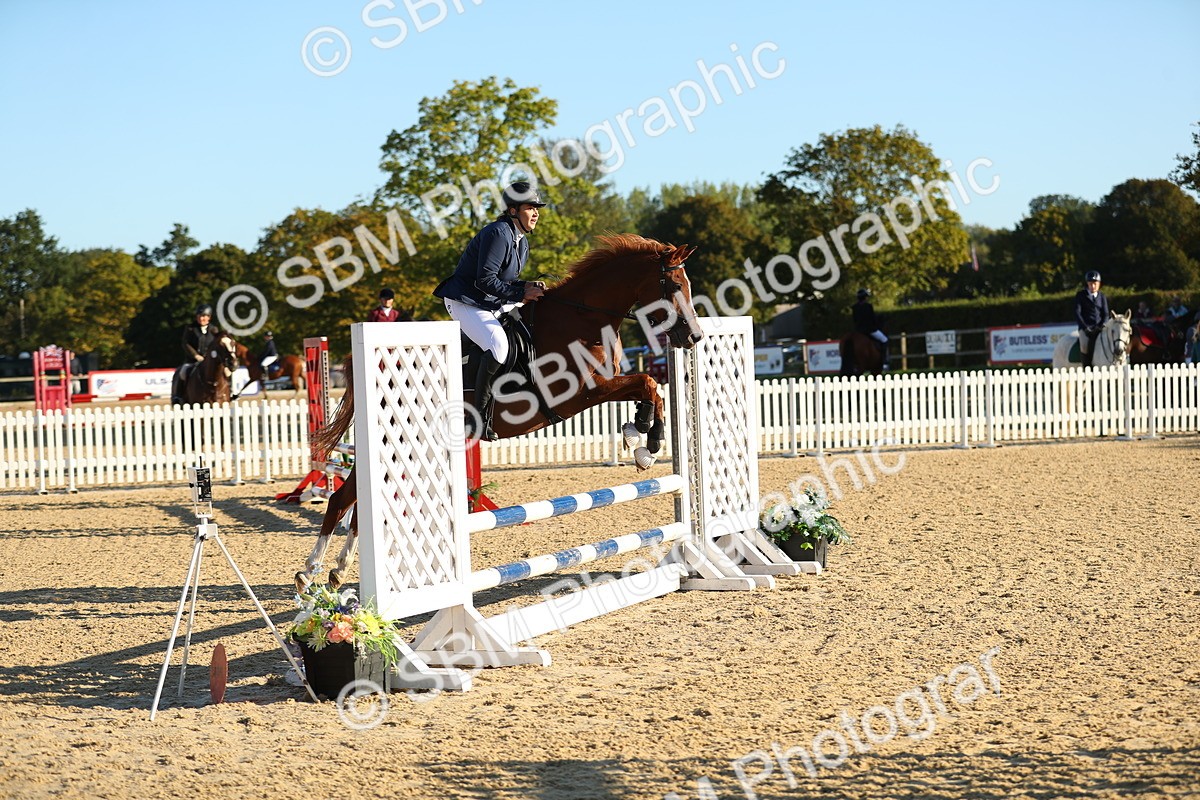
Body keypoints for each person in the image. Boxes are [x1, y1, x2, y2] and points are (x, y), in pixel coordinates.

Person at [432, 181, 548, 439]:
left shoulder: (521, 241)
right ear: (513, 211)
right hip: (466, 301)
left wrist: (527, 285)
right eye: (531, 207)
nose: (536, 213)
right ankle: (479, 417)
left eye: (537, 208)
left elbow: (503, 281)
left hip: (488, 303)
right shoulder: (499, 233)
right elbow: (485, 280)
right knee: (498, 345)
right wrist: (521, 293)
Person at [173, 304, 220, 402]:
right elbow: (186, 344)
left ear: (209, 317)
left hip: (209, 361)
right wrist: (196, 355)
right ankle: (178, 396)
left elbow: (216, 345)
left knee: (225, 371)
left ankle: (230, 391)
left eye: (203, 316)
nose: (201, 318)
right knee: (183, 372)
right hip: (193, 360)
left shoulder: (214, 330)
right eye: (199, 316)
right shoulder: (190, 328)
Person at [1073, 270, 1110, 368]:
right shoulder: (1081, 295)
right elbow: (1078, 313)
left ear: (1099, 284)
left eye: (1095, 284)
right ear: (1087, 284)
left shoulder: (1102, 296)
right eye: (1090, 284)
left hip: (1100, 327)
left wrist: (1102, 325)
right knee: (1084, 346)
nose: (1093, 286)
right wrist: (1084, 328)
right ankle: (1087, 368)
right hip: (1086, 328)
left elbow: (1106, 314)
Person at [851, 288, 888, 369]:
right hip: (869, 330)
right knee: (884, 340)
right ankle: (884, 361)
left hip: (858, 331)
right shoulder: (868, 306)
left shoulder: (854, 307)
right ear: (865, 297)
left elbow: (854, 320)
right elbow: (872, 319)